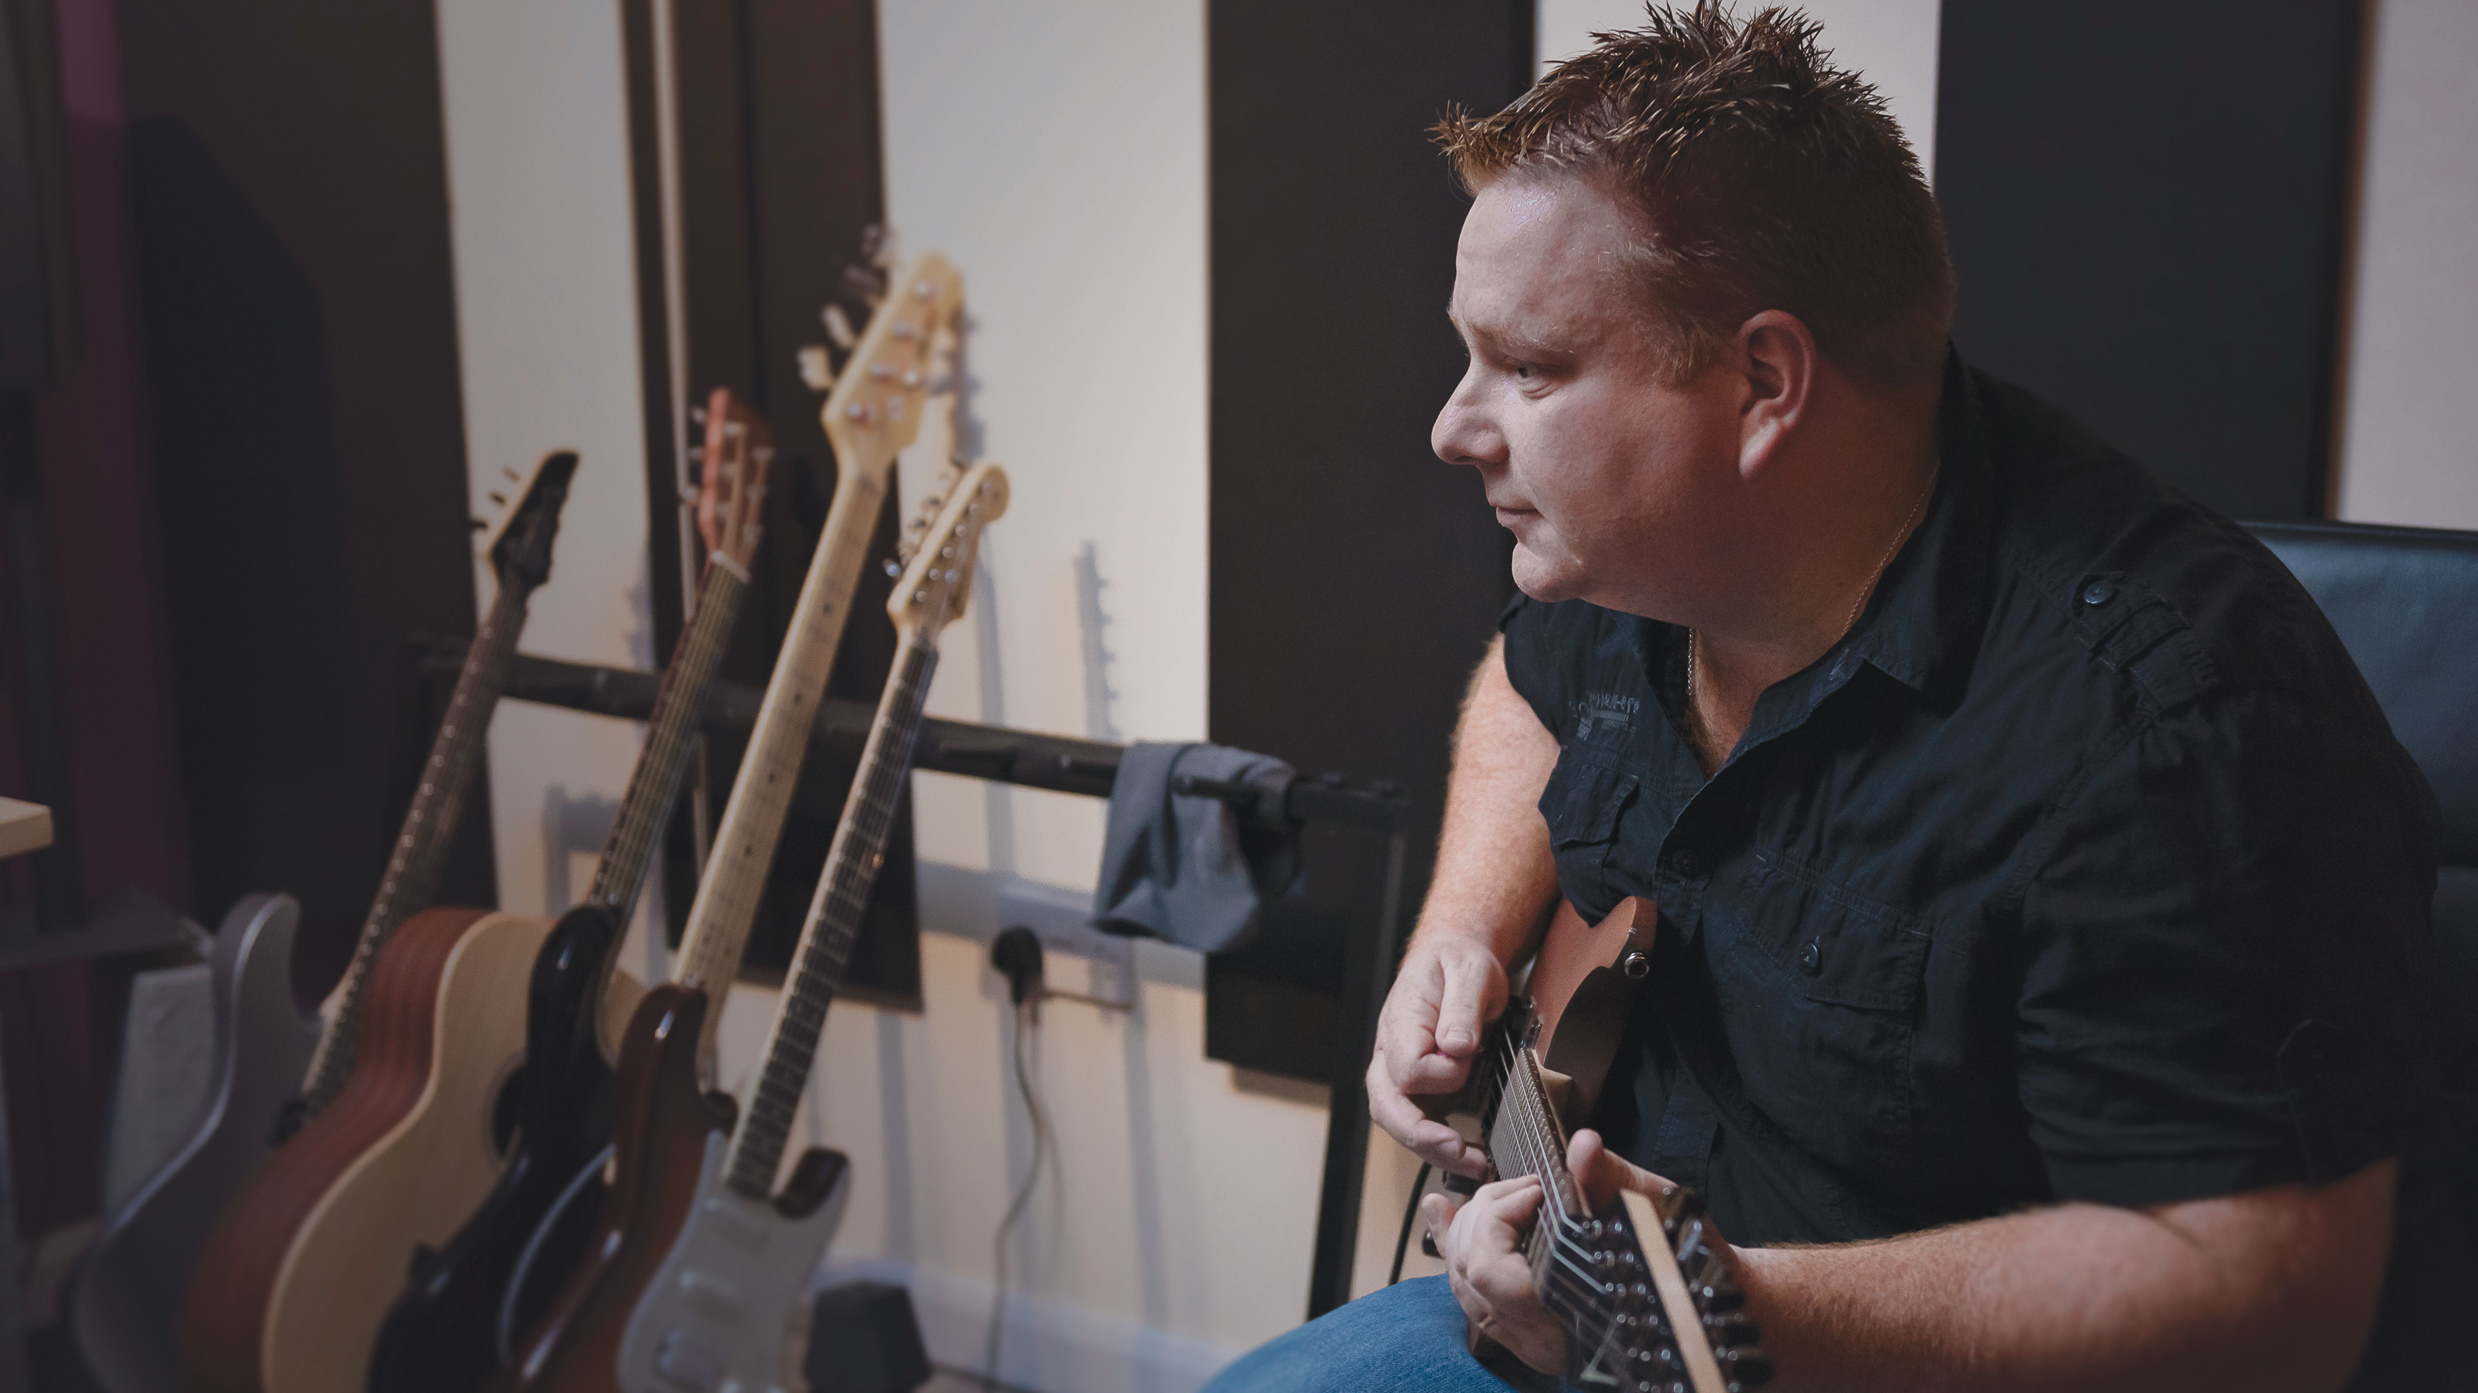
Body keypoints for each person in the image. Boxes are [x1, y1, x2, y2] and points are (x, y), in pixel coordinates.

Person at [1203, 6, 2459, 1392]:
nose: (1452, 426)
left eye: (1530, 366)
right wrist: (1458, 931)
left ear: (1761, 382)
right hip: (1626, 1314)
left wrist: (1727, 1306)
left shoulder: (2179, 727)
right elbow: (1521, 683)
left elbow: (2261, 1298)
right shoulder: (1639, 565)